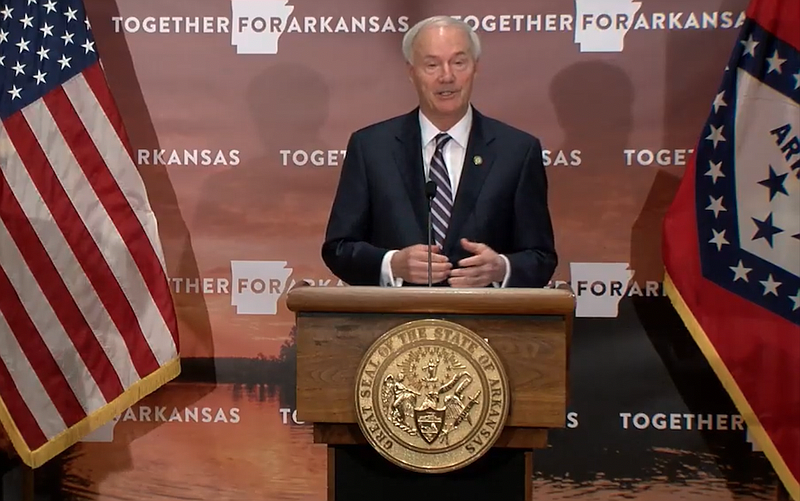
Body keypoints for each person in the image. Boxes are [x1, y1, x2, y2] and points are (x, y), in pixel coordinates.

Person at [321, 15, 557, 288]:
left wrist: (500, 269)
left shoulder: (517, 150)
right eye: (432, 65)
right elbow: (338, 248)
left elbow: (541, 258)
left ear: (475, 68)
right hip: (393, 323)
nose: (447, 76)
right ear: (411, 73)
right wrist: (392, 264)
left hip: (486, 322)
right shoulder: (371, 147)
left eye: (459, 62)